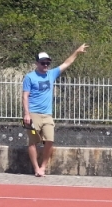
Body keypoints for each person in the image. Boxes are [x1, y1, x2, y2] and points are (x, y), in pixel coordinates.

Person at [22, 44, 88, 177]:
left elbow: (67, 63)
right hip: (33, 114)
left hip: (47, 115)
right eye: (43, 63)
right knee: (33, 142)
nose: (45, 65)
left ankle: (43, 167)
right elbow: (25, 96)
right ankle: (36, 168)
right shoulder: (30, 77)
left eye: (47, 63)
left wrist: (76, 52)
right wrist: (26, 114)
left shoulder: (51, 74)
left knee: (50, 140)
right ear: (37, 63)